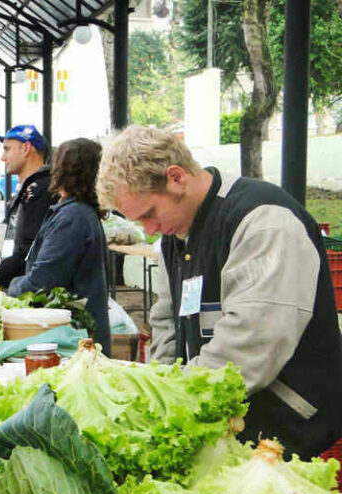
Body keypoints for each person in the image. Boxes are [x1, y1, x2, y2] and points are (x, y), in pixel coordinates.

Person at [97, 124, 342, 459]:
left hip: (285, 431)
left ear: (176, 178)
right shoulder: (175, 236)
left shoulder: (263, 222)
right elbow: (167, 323)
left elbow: (250, 347)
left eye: (150, 214)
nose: (149, 230)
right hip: (224, 426)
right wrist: (156, 395)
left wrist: (174, 398)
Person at [8, 138, 111, 354]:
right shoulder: (76, 213)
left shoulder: (72, 218)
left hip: (73, 343)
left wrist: (10, 291)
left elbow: (43, 282)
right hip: (77, 339)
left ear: (63, 170)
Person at [0, 124, 57, 288]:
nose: (3, 157)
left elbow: (29, 251)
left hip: (29, 290)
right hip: (19, 283)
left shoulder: (41, 190)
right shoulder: (31, 189)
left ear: (26, 148)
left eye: (7, 149)